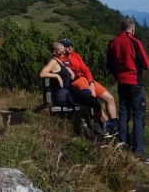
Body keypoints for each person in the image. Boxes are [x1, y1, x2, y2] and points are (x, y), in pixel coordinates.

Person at [107, 17, 149, 161]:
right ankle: (139, 151)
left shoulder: (113, 42)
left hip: (122, 82)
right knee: (139, 115)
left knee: (124, 112)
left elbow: (109, 64)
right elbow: (145, 63)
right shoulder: (135, 42)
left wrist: (117, 76)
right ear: (132, 28)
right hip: (135, 82)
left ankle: (123, 145)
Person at [40, 41, 106, 129]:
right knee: (93, 102)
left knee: (91, 99)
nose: (64, 52)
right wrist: (56, 76)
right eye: (62, 51)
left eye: (64, 50)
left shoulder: (58, 60)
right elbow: (42, 74)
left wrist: (67, 68)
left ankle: (101, 124)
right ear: (54, 52)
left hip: (68, 92)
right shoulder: (53, 61)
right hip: (62, 95)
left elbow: (61, 68)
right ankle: (103, 126)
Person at [60, 38, 118, 134]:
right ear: (62, 48)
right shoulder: (60, 59)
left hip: (86, 80)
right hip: (76, 81)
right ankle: (103, 124)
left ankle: (114, 123)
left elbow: (86, 70)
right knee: (92, 96)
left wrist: (91, 81)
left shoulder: (76, 56)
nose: (70, 47)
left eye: (71, 45)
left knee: (110, 98)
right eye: (67, 45)